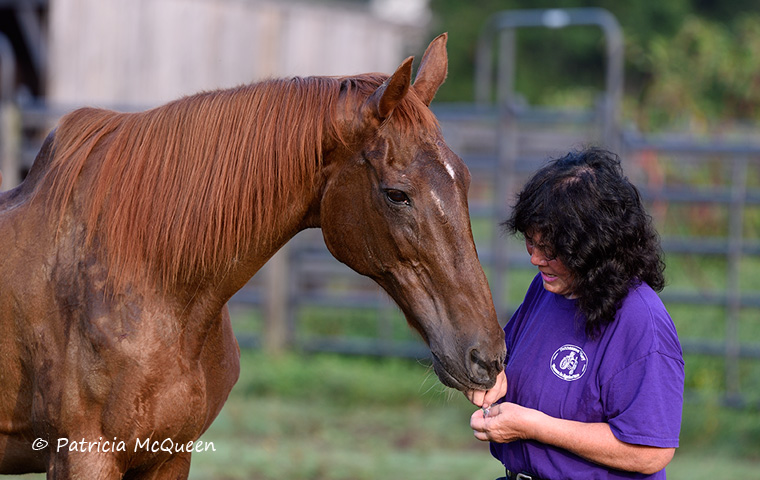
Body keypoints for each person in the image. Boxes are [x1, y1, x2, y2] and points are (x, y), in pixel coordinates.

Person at [466, 147, 685, 480]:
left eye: (551, 250)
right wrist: (489, 382)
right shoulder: (547, 288)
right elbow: (509, 364)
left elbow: (651, 453)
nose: (536, 259)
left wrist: (534, 427)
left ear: (592, 247)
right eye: (530, 242)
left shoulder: (641, 322)